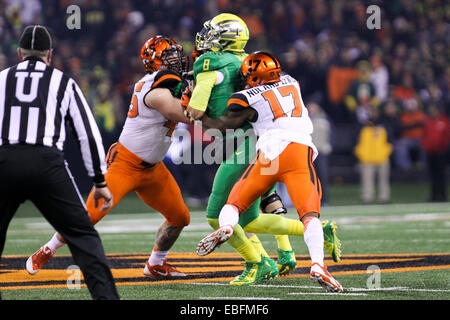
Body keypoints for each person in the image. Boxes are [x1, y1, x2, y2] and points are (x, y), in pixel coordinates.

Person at [186, 13, 341, 285]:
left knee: (222, 210)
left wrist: (194, 109)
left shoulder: (244, 93)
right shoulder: (292, 81)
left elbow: (218, 124)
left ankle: (257, 261)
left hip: (262, 149)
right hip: (298, 150)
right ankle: (297, 253)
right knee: (296, 211)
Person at [26, 36, 191, 278]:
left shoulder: (172, 83)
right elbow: (184, 113)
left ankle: (155, 264)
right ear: (155, 61)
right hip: (126, 163)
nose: (176, 60)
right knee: (90, 215)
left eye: (177, 55)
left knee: (180, 218)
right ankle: (48, 249)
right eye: (169, 56)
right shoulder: (152, 87)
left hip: (153, 169)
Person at [0, 25, 119, 300]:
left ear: (19, 53)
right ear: (50, 55)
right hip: (46, 163)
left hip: (5, 161)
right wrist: (99, 181)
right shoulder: (63, 82)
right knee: (84, 239)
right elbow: (87, 133)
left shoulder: (2, 79)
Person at [354, 107, 393, 204]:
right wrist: (361, 154)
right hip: (367, 158)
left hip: (382, 158)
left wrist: (385, 153)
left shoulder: (385, 125)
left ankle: (384, 197)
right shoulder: (362, 126)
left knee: (384, 180)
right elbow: (356, 142)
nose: (373, 114)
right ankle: (367, 197)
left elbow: (391, 141)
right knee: (366, 180)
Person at [421, 104, 449, 202]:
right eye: (430, 110)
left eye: (433, 110)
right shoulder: (428, 122)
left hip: (441, 152)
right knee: (432, 175)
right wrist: (425, 146)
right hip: (430, 152)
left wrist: (444, 147)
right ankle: (433, 195)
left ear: (438, 111)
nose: (432, 112)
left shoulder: (444, 121)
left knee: (441, 175)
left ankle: (443, 195)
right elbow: (424, 135)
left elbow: (447, 135)